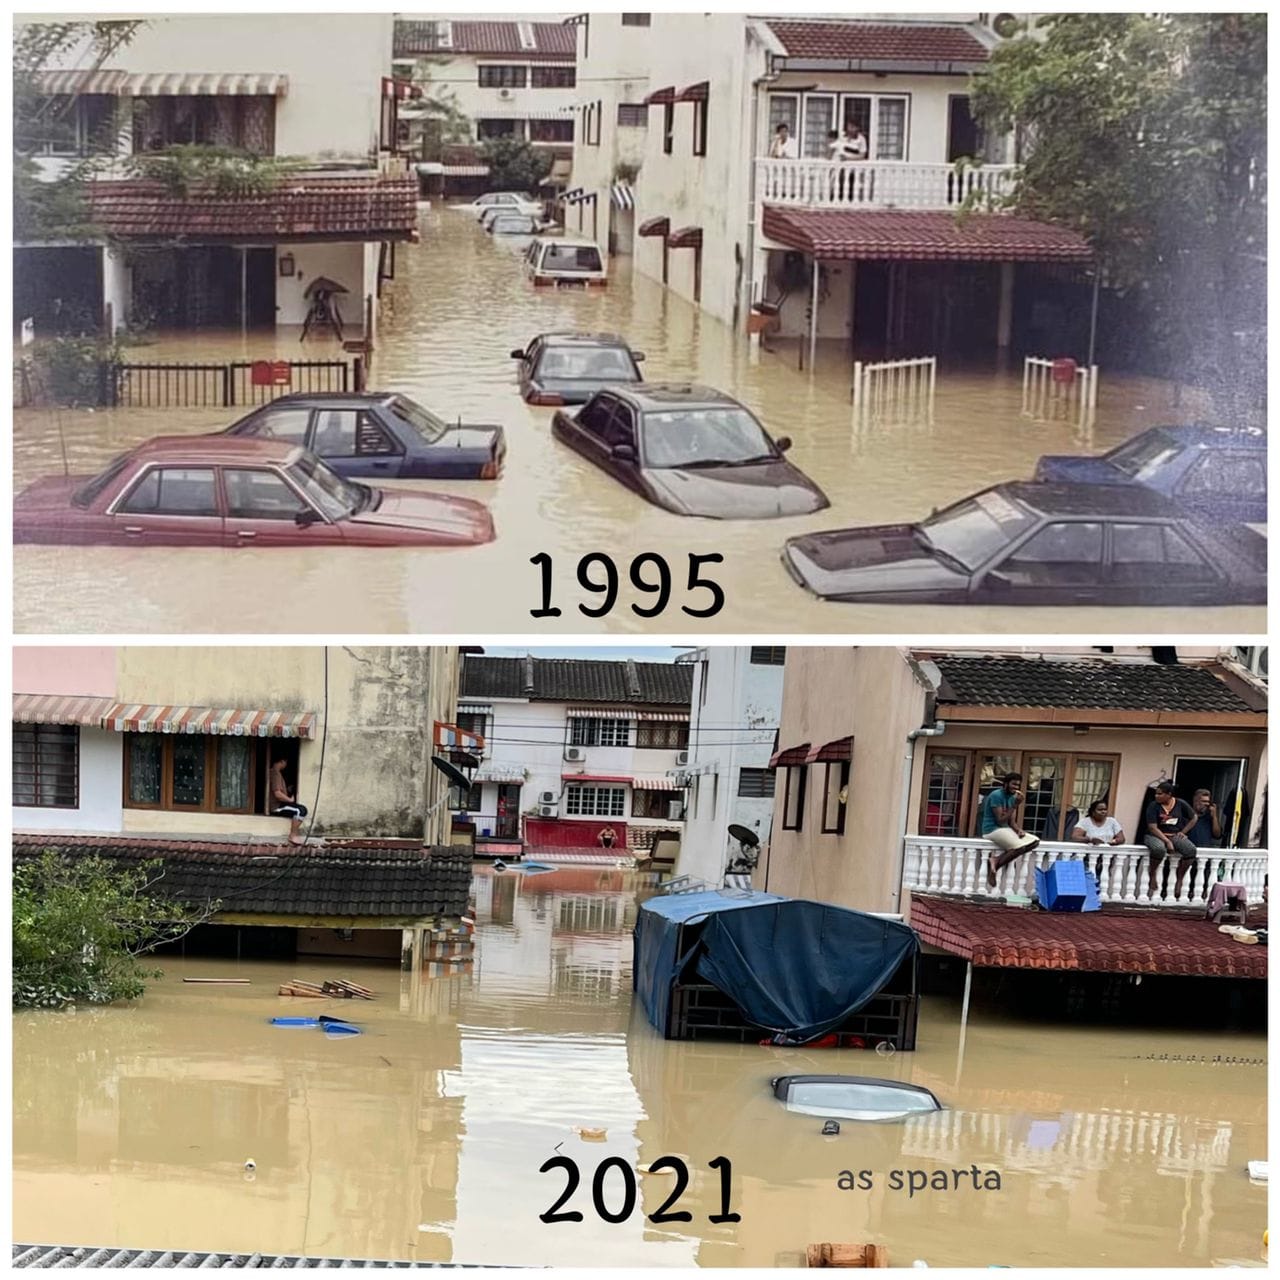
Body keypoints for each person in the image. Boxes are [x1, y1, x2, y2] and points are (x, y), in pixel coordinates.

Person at [980, 772, 1040, 887]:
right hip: (992, 829)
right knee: (1020, 847)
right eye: (1013, 784)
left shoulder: (1013, 797)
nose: (1016, 788)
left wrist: (1018, 830)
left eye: (1018, 785)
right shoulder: (996, 795)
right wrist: (1014, 806)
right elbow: (1000, 820)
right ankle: (995, 864)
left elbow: (1011, 822)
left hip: (1005, 829)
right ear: (1006, 783)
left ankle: (996, 861)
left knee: (1035, 842)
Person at [1143, 780, 1198, 899]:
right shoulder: (1153, 806)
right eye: (1156, 794)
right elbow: (1152, 827)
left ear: (1169, 794)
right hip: (1155, 834)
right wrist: (1167, 841)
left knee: (1190, 850)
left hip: (1173, 834)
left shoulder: (1180, 803)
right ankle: (1152, 874)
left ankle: (1179, 878)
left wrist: (1183, 832)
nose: (1156, 796)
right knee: (1158, 849)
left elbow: (1194, 817)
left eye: (1160, 794)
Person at [270, 758, 309, 845]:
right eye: (286, 763)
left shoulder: (274, 773)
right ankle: (293, 835)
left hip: (280, 805)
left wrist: (287, 790)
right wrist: (290, 800)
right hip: (276, 807)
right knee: (300, 810)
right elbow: (277, 794)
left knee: (302, 809)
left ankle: (293, 834)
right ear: (282, 761)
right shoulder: (275, 773)